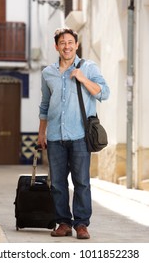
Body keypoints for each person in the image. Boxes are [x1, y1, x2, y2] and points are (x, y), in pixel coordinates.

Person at [38, 28, 110, 239]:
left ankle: (81, 224)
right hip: (54, 136)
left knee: (81, 182)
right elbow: (44, 105)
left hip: (80, 135)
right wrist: (42, 132)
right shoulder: (47, 73)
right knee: (58, 183)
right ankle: (63, 223)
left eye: (70, 42)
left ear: (76, 45)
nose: (67, 46)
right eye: (62, 43)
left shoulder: (88, 67)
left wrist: (83, 79)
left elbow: (104, 92)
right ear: (56, 46)